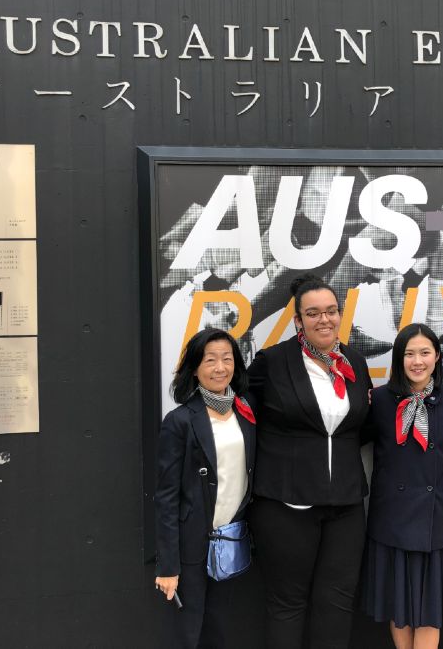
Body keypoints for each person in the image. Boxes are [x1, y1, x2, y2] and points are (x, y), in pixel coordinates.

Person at [246, 274, 373, 649]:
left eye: (331, 312)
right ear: (298, 320)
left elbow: (359, 427)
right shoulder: (273, 361)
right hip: (287, 502)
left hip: (346, 504)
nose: (325, 320)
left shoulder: (354, 361)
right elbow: (245, 418)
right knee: (288, 605)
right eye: (313, 313)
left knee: (336, 603)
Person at [361, 323, 443, 649]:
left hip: (437, 519)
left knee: (430, 607)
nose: (417, 361)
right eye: (409, 354)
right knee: (399, 604)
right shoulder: (377, 400)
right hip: (392, 517)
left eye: (425, 353)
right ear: (398, 358)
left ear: (436, 357)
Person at [154, 327, 257, 649]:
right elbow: (166, 496)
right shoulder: (181, 420)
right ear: (195, 368)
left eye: (227, 359)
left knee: (221, 628)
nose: (220, 368)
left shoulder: (246, 413)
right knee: (189, 631)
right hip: (191, 546)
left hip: (231, 539)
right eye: (210, 360)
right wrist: (168, 565)